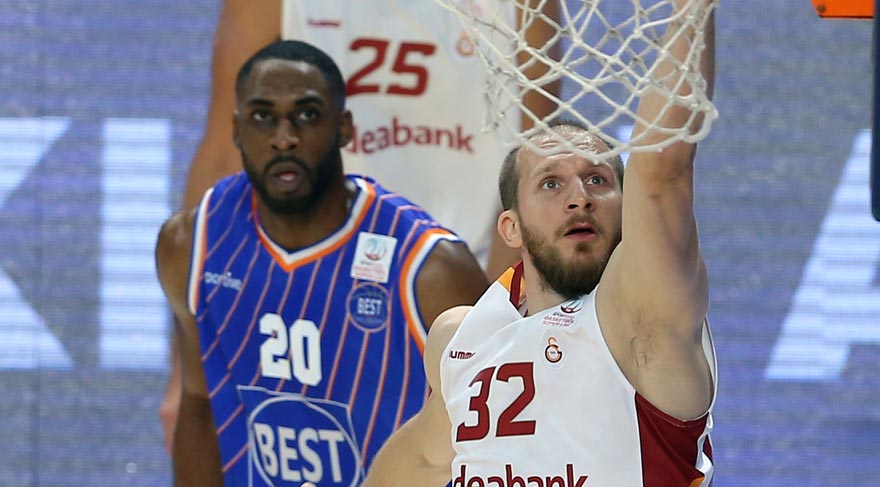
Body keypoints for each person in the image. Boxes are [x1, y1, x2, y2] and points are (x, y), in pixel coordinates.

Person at [160, 0, 560, 452]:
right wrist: (185, 373)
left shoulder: (525, 7)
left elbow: (528, 174)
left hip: (457, 282)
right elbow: (223, 152)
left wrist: (492, 325)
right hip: (320, 284)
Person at [361, 0, 718, 485]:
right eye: (551, 183)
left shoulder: (643, 317)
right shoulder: (462, 337)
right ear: (511, 227)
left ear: (626, 210)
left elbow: (662, 172)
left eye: (597, 180)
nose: (579, 197)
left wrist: (691, 13)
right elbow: (423, 460)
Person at [155, 39, 489, 486]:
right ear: (236, 129)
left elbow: (497, 439)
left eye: (308, 115)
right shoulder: (192, 245)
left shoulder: (431, 269)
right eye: (262, 117)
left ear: (344, 128)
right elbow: (199, 401)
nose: (284, 138)